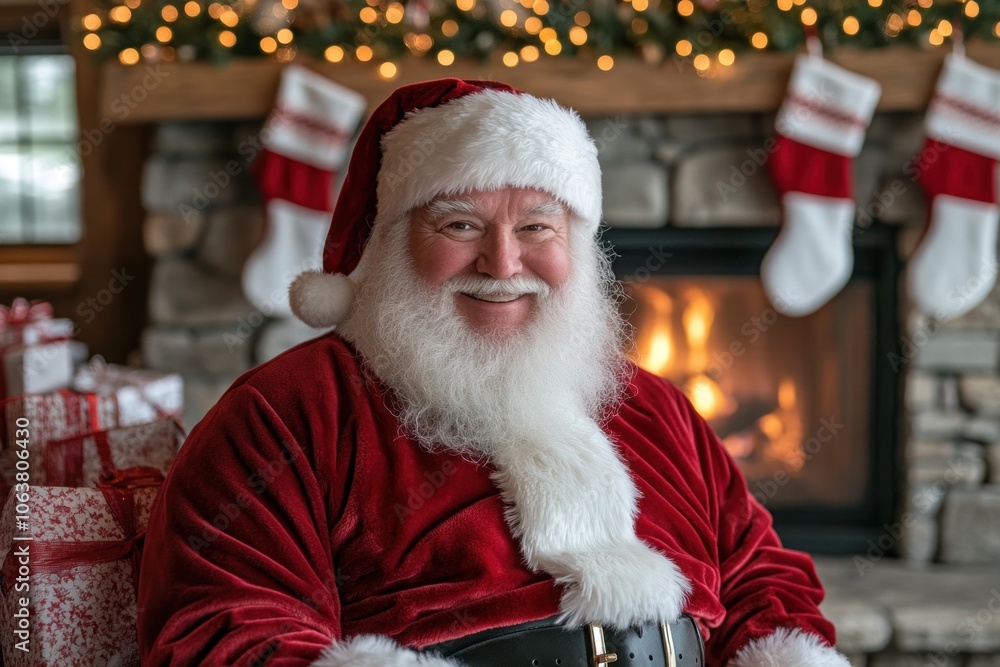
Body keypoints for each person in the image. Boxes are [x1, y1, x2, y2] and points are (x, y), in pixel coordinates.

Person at [138, 78, 849, 667]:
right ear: (388, 243)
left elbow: (761, 575)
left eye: (537, 226)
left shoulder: (653, 407)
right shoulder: (288, 413)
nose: (503, 265)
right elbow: (222, 625)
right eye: (460, 226)